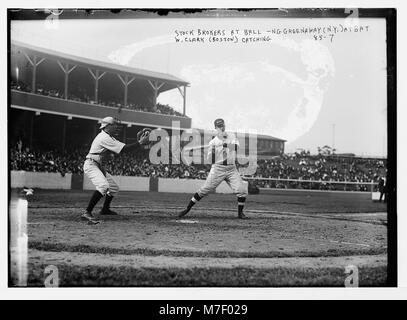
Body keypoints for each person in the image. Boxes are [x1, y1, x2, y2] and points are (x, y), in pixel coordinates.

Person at [81, 117, 150, 224]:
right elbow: (124, 150)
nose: (117, 126)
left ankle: (105, 209)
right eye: (114, 124)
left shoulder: (108, 137)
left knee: (113, 188)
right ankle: (87, 212)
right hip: (91, 164)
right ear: (107, 126)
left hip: (98, 165)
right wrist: (140, 142)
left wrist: (138, 142)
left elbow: (124, 147)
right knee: (103, 186)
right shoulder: (104, 137)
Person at [178, 118, 248, 219]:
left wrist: (226, 144)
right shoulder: (213, 143)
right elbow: (210, 160)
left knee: (241, 190)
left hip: (231, 169)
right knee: (204, 190)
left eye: (222, 125)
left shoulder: (231, 137)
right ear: (216, 128)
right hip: (218, 169)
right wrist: (214, 152)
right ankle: (187, 208)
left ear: (225, 126)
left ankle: (240, 213)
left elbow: (237, 147)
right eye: (219, 126)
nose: (221, 127)